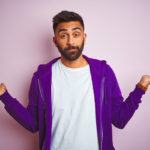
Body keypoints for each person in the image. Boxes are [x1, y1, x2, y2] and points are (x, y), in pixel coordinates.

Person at [0, 10, 150, 150]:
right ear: (55, 41)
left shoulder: (104, 73)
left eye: (76, 34)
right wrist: (5, 96)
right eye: (63, 35)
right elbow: (33, 124)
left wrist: (141, 88)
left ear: (84, 37)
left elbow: (119, 119)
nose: (71, 41)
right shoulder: (41, 77)